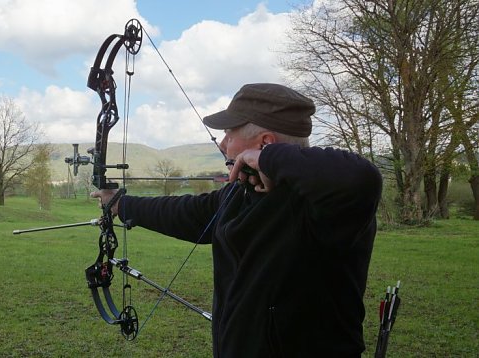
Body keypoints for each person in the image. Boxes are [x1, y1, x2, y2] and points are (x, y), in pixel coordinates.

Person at [92, 83, 382, 357]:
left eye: (230, 134)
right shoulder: (238, 195)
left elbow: (362, 178)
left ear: (265, 143)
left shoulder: (326, 206)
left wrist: (270, 160)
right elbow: (183, 213)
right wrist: (120, 204)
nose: (222, 144)